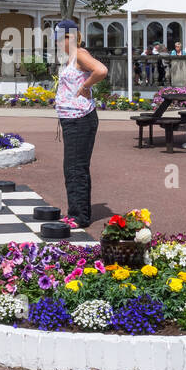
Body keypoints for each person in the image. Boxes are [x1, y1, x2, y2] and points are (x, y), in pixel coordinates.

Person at [53, 19, 107, 229]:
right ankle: (76, 211)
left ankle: (79, 216)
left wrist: (86, 86)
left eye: (60, 39)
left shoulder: (80, 54)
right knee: (73, 167)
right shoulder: (72, 57)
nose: (58, 43)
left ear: (70, 37)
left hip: (80, 120)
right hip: (73, 120)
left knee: (75, 168)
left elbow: (101, 70)